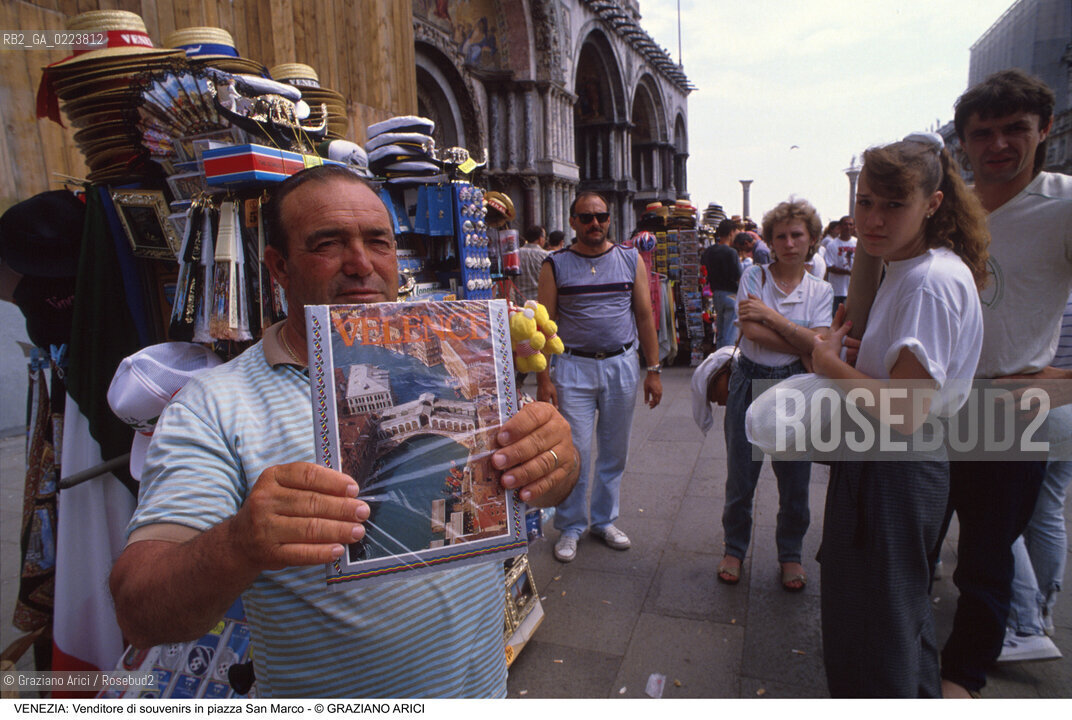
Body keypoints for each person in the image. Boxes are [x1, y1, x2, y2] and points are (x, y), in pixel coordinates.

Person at [108, 165, 580, 697]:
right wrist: (238, 543)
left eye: (377, 242)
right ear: (279, 268)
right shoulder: (214, 406)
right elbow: (139, 612)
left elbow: (540, 483)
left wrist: (556, 462)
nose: (360, 264)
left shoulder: (453, 359)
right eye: (328, 244)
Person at [811, 133, 988, 697]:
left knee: (876, 626)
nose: (874, 220)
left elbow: (906, 410)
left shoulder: (928, 283)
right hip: (897, 464)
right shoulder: (913, 267)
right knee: (894, 616)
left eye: (894, 204)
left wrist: (827, 363)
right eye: (866, 202)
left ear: (932, 204)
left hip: (895, 468)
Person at [939, 68, 1072, 698]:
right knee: (913, 539)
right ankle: (904, 647)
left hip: (1005, 404)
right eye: (982, 132)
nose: (998, 145)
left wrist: (1063, 383)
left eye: (1015, 129)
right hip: (934, 401)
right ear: (963, 141)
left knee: (987, 559)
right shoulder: (948, 206)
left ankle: (961, 681)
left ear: (1044, 128)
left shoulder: (1064, 204)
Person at [537, 191, 662, 563]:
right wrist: (544, 379)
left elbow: (644, 316)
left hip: (621, 365)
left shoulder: (629, 259)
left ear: (609, 220)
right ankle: (571, 525)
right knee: (575, 452)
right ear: (573, 221)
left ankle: (604, 520)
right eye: (586, 218)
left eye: (601, 217)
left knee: (614, 450)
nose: (595, 224)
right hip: (572, 367)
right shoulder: (554, 264)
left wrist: (653, 370)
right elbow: (544, 326)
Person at [718, 198, 832, 590]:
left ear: (811, 239)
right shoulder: (754, 277)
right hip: (749, 381)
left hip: (795, 388)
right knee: (741, 477)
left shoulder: (821, 289)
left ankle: (790, 554)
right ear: (769, 240)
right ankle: (734, 547)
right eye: (780, 235)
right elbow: (752, 332)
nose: (788, 242)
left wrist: (773, 318)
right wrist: (802, 341)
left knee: (795, 481)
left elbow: (823, 342)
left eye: (797, 234)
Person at [1002, 291, 1072, 662]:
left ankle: (1027, 621)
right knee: (1048, 511)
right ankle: (1042, 610)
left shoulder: (1048, 291)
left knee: (1000, 513)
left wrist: (1058, 378)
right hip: (1061, 411)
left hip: (1040, 407)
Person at [702, 218, 742, 349]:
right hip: (731, 294)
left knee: (720, 332)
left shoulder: (709, 251)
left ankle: (719, 362)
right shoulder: (731, 252)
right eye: (736, 231)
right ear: (731, 232)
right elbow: (738, 276)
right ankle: (727, 363)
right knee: (730, 333)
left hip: (716, 294)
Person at [823, 215, 856, 316]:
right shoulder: (832, 245)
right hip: (837, 290)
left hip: (853, 289)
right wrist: (848, 272)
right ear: (840, 226)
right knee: (835, 317)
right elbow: (829, 267)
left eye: (850, 224)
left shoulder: (858, 243)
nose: (848, 227)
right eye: (845, 224)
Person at [515, 224, 548, 304]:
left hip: (520, 303)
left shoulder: (516, 254)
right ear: (540, 239)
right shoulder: (546, 256)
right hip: (539, 304)